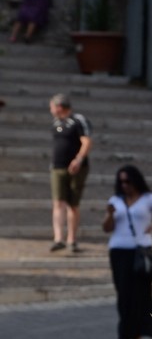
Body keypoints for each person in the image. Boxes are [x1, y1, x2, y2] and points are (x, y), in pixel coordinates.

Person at [103, 164, 152, 339]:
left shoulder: (149, 199)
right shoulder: (115, 200)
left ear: (136, 181)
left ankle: (138, 335)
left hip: (141, 251)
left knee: (141, 294)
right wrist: (110, 215)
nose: (124, 185)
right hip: (119, 251)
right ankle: (124, 334)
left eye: (127, 181)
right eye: (121, 182)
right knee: (123, 294)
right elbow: (106, 228)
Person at [48, 93, 92, 253]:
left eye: (51, 106)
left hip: (76, 167)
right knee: (58, 201)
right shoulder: (55, 123)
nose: (50, 109)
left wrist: (78, 159)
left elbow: (86, 141)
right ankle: (58, 238)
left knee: (73, 203)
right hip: (57, 166)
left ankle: (71, 239)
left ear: (59, 107)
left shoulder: (78, 120)